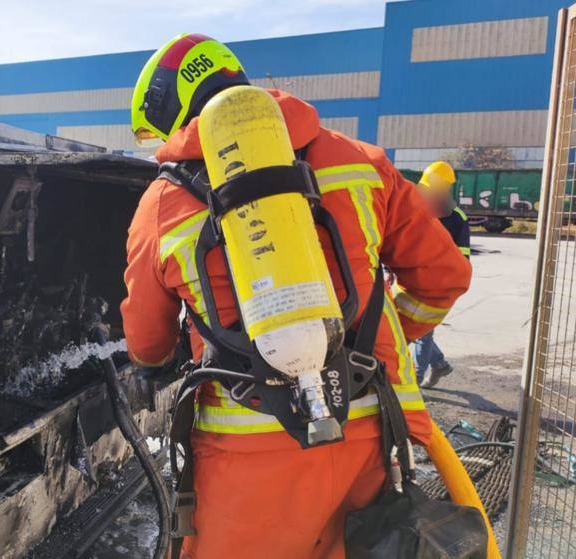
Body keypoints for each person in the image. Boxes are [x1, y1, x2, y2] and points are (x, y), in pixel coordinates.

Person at [120, 33, 472, 558]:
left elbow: (147, 344)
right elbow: (443, 278)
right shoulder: (362, 163)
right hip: (369, 431)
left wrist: (160, 357)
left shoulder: (161, 206)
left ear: (173, 109)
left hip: (244, 450)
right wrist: (380, 335)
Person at [414, 161, 471, 389]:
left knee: (423, 333)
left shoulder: (456, 217)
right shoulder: (416, 209)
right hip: (413, 279)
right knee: (415, 330)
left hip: (438, 283)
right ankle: (439, 364)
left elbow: (463, 255)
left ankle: (414, 381)